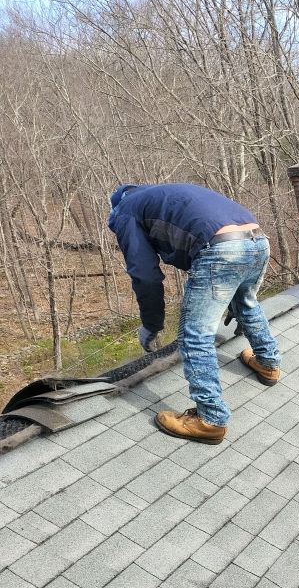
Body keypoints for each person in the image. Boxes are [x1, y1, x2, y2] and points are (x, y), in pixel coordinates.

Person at [108, 183, 281, 445]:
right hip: (257, 240)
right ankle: (268, 364)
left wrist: (151, 325)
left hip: (221, 249)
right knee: (246, 303)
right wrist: (236, 304)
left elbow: (145, 275)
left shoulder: (125, 212)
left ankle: (210, 419)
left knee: (195, 335)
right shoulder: (164, 195)